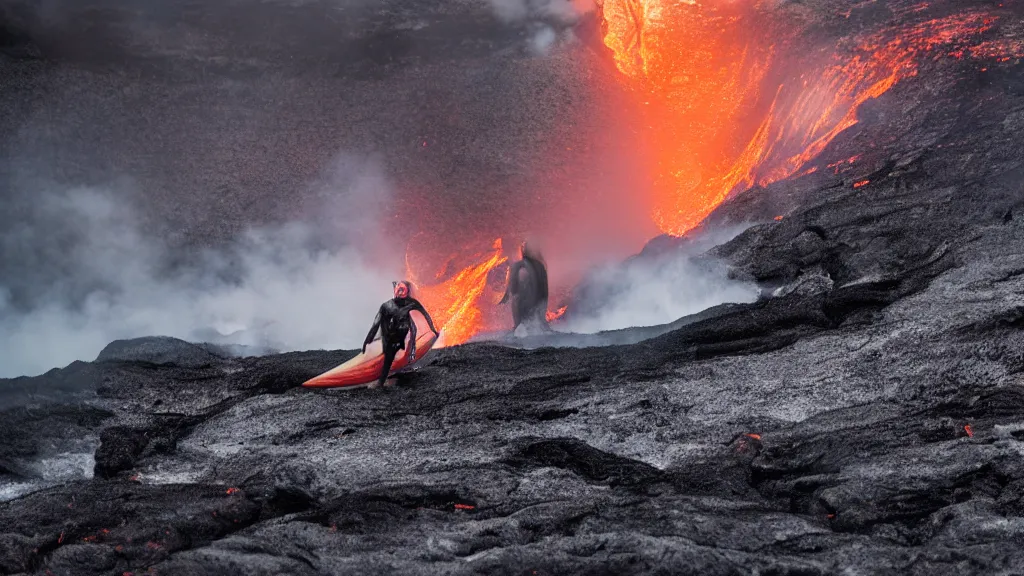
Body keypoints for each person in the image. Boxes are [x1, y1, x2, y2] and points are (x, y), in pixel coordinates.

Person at [363, 280, 439, 388]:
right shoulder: (387, 305)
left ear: (407, 291)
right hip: (391, 336)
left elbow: (425, 315)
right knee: (388, 356)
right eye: (397, 286)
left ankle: (403, 367)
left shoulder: (411, 303)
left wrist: (433, 329)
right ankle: (382, 380)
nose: (400, 288)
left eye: (402, 287)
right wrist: (368, 340)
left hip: (404, 334)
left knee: (407, 334)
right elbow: (376, 324)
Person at [499, 241, 551, 335]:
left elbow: (513, 289)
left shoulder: (519, 266)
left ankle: (518, 328)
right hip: (539, 312)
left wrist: (507, 297)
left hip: (525, 307)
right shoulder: (541, 266)